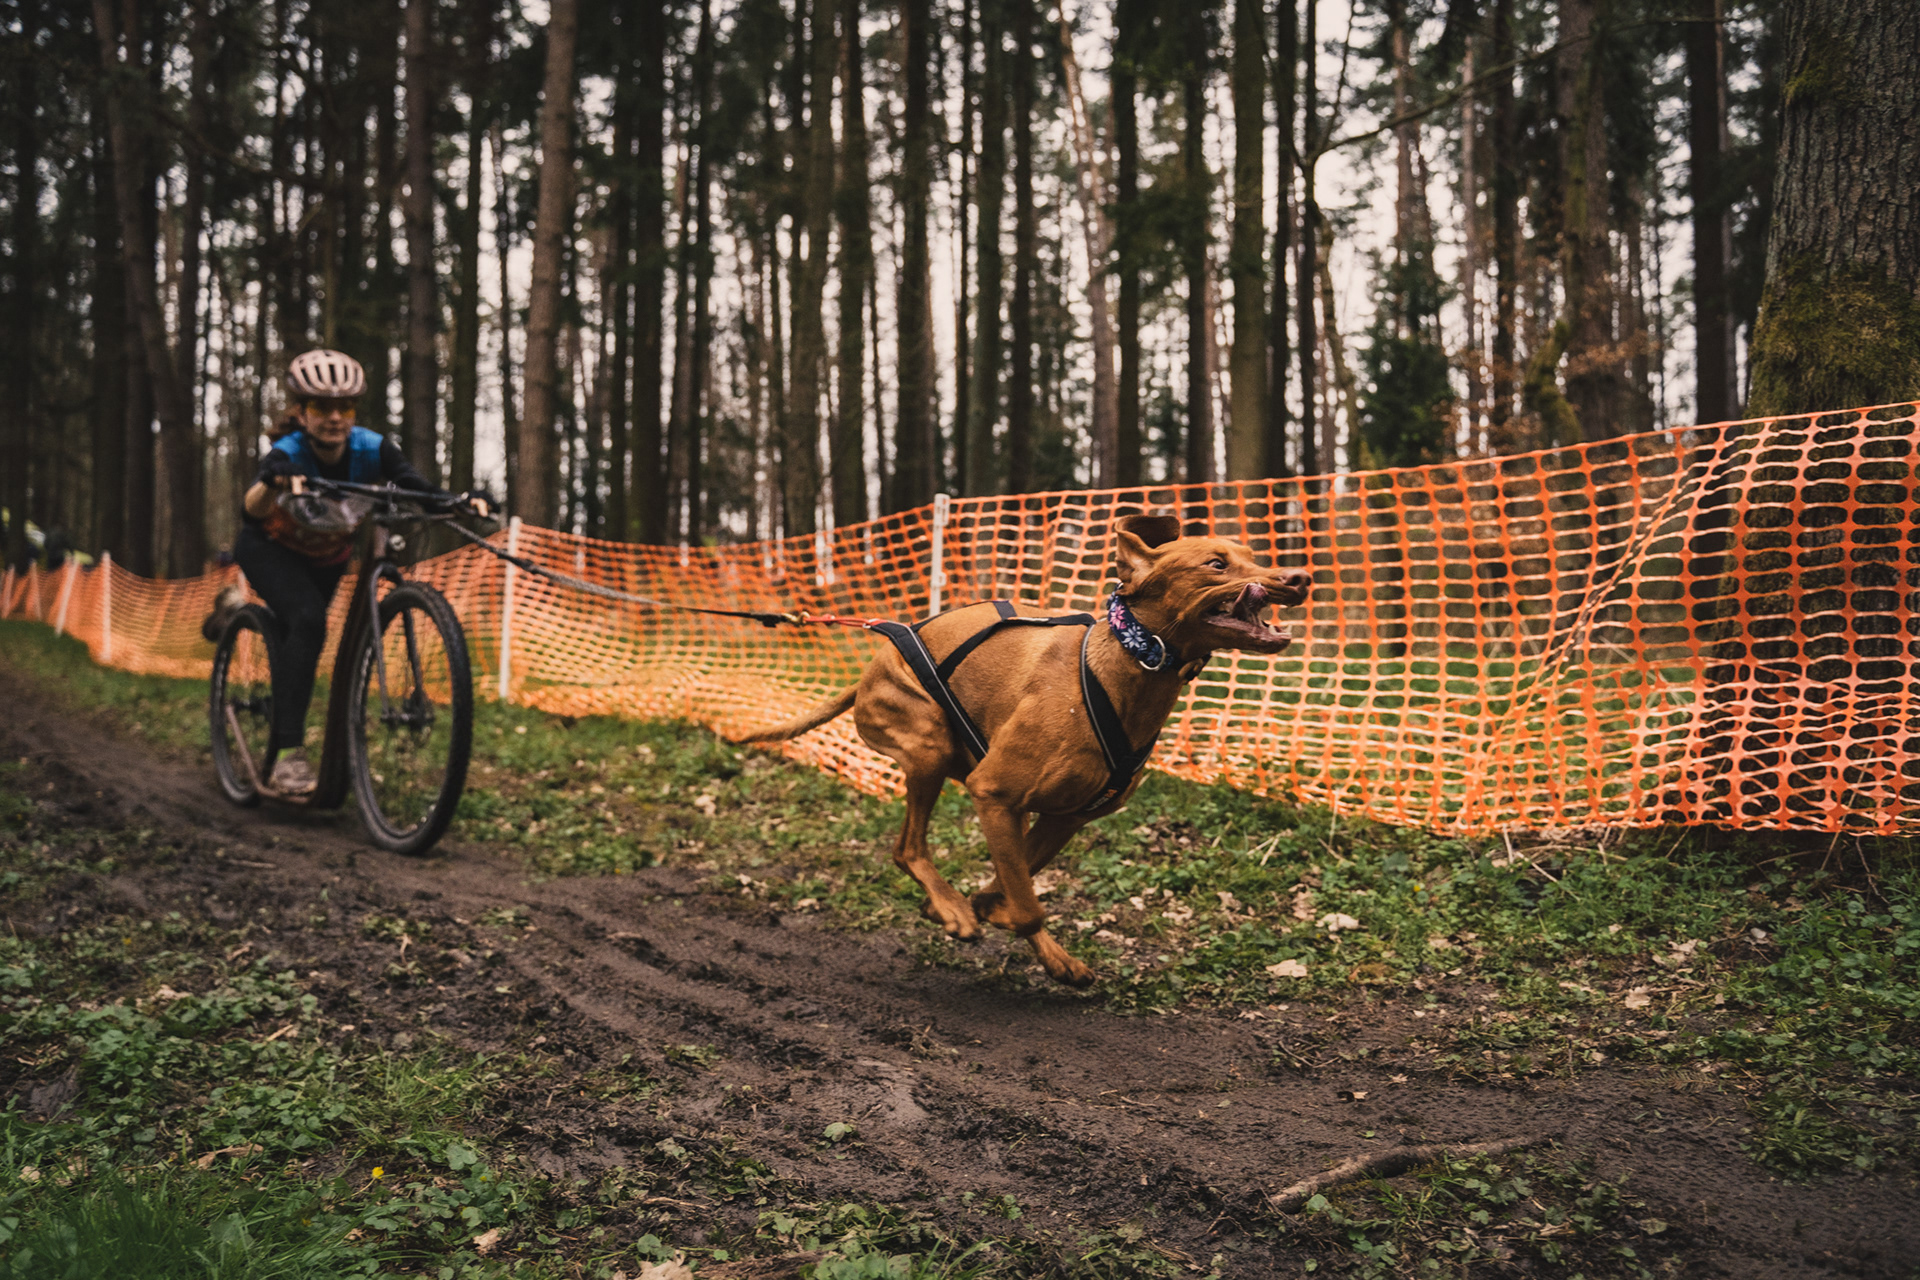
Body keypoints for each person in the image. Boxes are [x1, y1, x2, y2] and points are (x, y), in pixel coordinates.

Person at [205, 349, 435, 795]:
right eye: (321, 408)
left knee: (305, 639)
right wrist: (274, 482)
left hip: (326, 559)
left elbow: (415, 485)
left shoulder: (372, 448)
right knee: (308, 621)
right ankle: (288, 756)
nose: (334, 418)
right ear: (302, 412)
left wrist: (461, 499)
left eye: (344, 408)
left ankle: (239, 617)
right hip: (269, 550)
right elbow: (250, 510)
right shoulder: (287, 451)